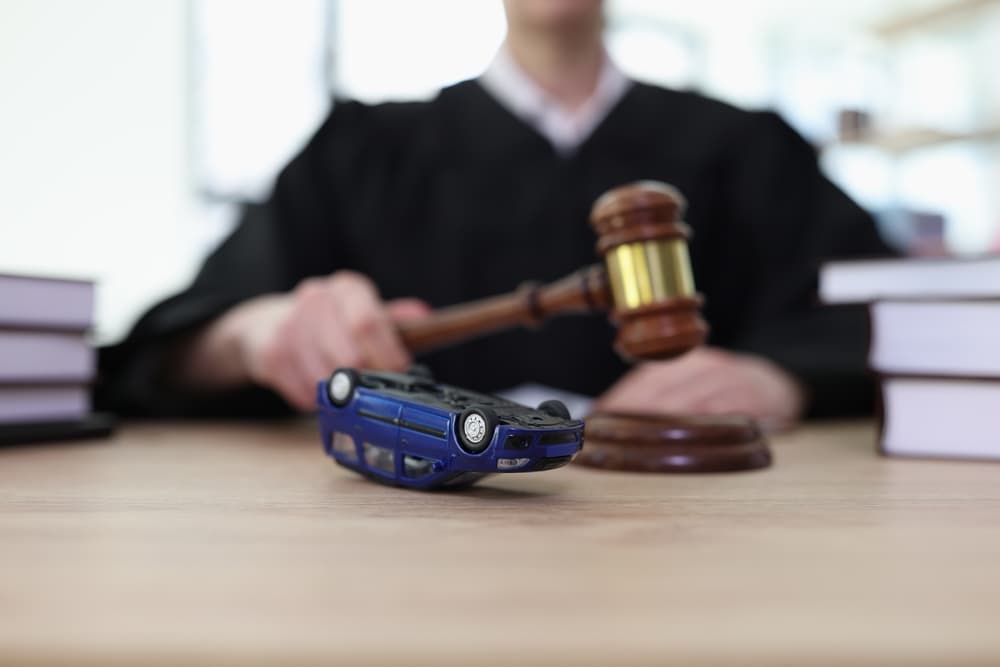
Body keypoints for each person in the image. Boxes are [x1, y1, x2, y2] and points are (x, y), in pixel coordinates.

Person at [97, 0, 891, 427]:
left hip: (706, 545)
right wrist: (254, 334)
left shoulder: (746, 147)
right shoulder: (361, 149)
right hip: (400, 549)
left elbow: (887, 313)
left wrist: (778, 376)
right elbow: (163, 350)